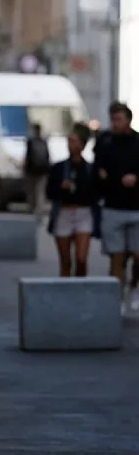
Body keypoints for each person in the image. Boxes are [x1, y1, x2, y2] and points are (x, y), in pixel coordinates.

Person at [93, 102, 139, 313]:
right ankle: (117, 298)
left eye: (119, 120)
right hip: (112, 207)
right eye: (113, 120)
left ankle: (134, 286)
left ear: (128, 120)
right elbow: (98, 173)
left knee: (137, 255)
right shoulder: (105, 143)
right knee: (117, 257)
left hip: (136, 208)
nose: (115, 124)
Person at [47, 122, 95, 277]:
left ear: (82, 144)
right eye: (69, 141)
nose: (70, 145)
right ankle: (66, 290)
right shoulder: (59, 168)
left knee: (81, 258)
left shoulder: (89, 168)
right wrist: (61, 187)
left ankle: (81, 287)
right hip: (64, 212)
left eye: (74, 141)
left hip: (83, 212)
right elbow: (49, 192)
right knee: (65, 260)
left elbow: (94, 192)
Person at [24, 123, 51, 219]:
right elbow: (48, 156)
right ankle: (40, 207)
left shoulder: (31, 142)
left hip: (32, 169)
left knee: (32, 189)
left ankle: (32, 206)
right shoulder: (44, 142)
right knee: (40, 189)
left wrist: (25, 168)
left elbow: (27, 156)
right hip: (43, 170)